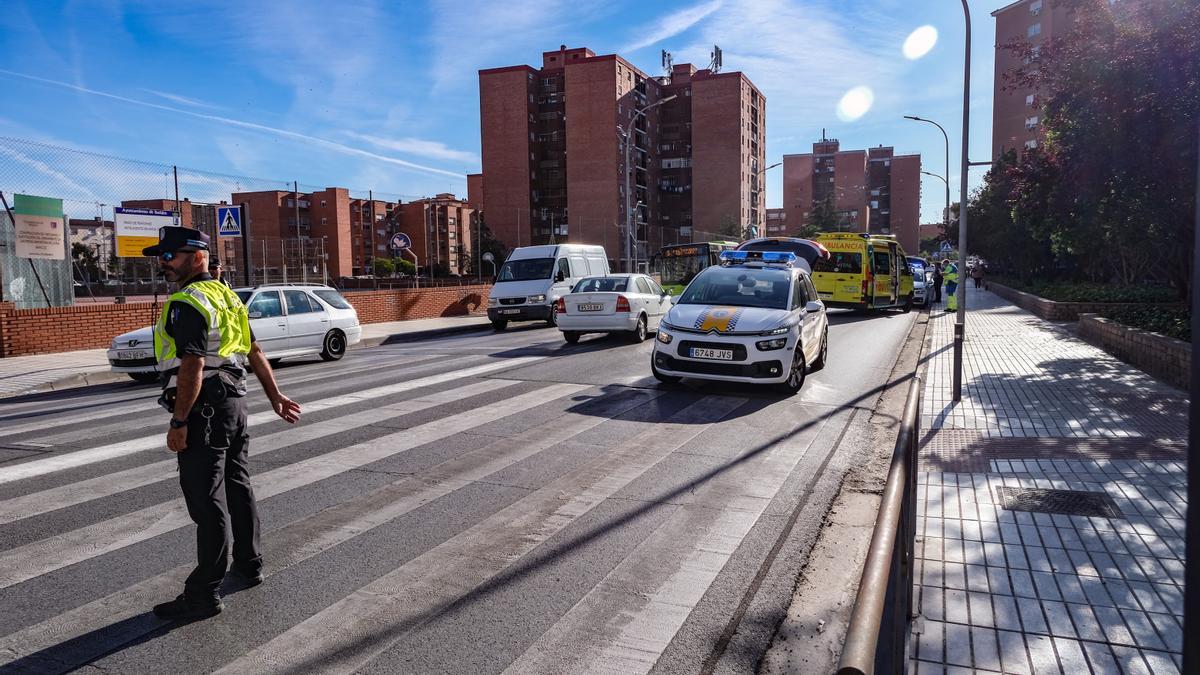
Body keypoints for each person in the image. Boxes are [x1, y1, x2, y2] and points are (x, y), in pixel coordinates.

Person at [145, 226, 301, 621]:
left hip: (204, 411)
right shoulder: (226, 296)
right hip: (234, 404)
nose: (163, 263)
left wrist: (180, 420)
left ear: (198, 256)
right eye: (161, 256)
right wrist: (275, 396)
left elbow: (192, 364)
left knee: (205, 499)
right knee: (237, 485)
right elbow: (254, 350)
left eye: (171, 255)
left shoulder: (187, 302)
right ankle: (249, 566)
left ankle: (203, 593)